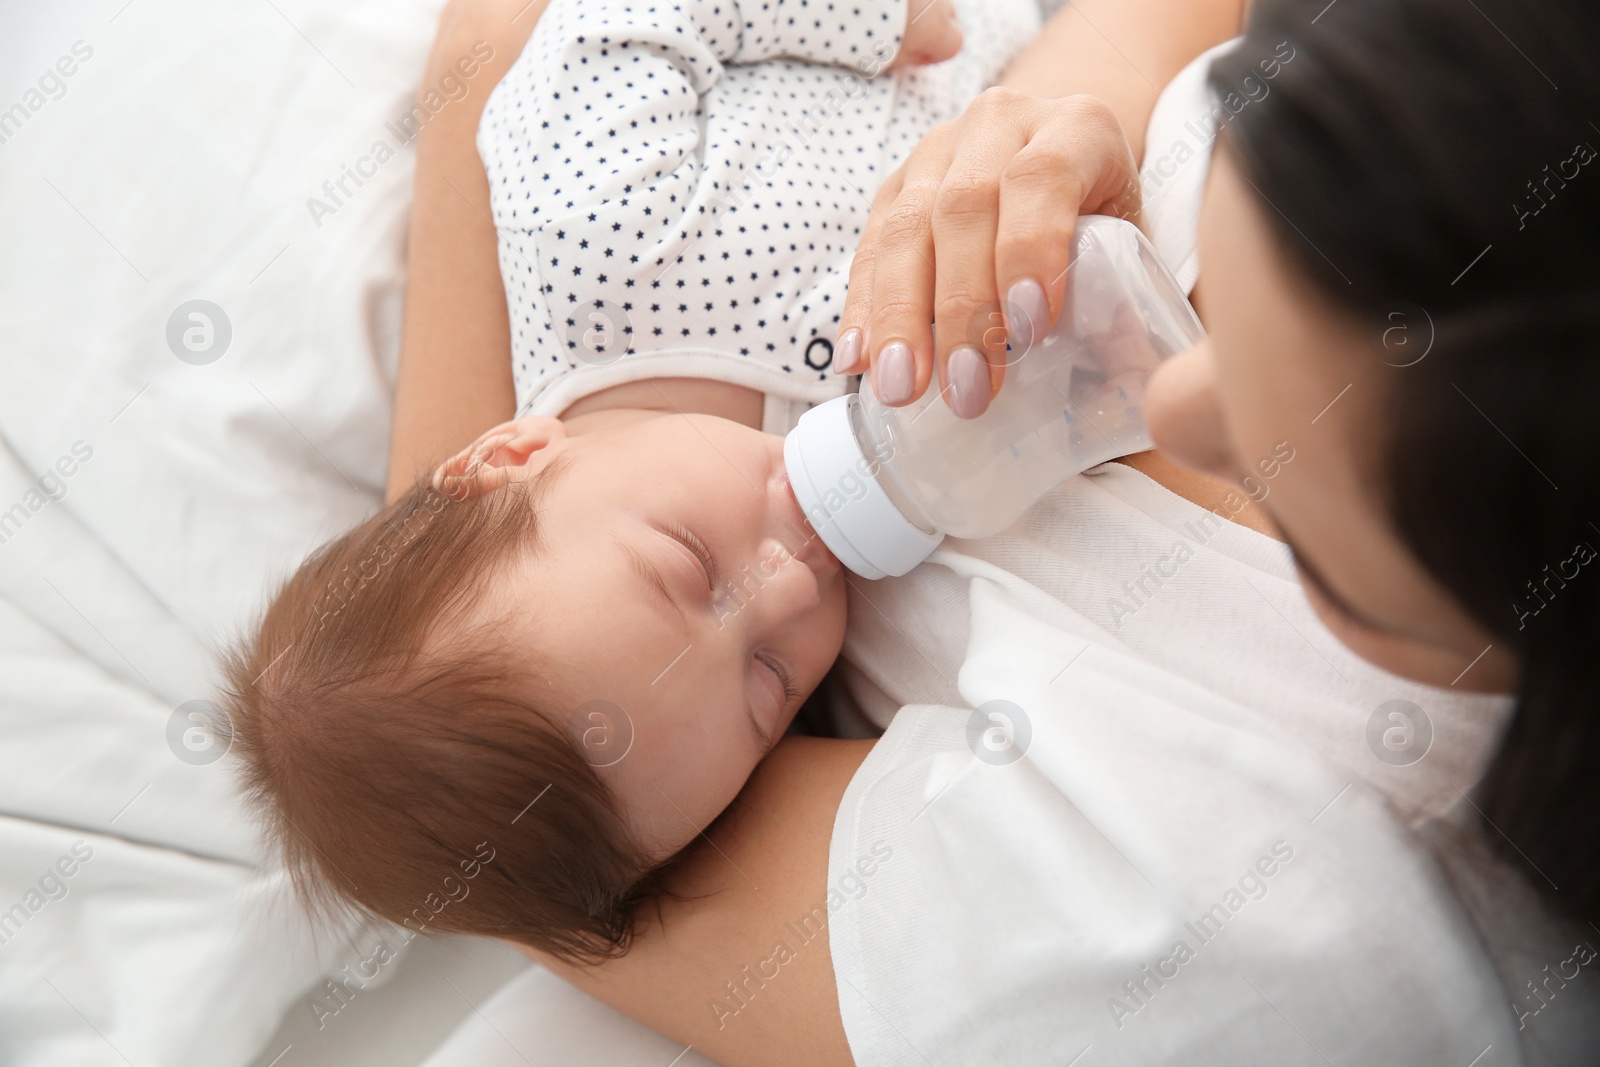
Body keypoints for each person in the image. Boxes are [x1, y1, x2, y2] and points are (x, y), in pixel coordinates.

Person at [374, 0, 1600, 1061]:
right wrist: (1070, 115)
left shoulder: (1259, 929)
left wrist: (478, 70)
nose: (1175, 392)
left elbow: (498, 853)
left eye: (1292, 456)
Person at [217, 0, 1228, 967]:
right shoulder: (892, 508)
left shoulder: (595, 243)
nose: (786, 590)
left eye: (688, 564)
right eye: (764, 685)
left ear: (507, 458)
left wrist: (872, 19)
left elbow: (623, 21)